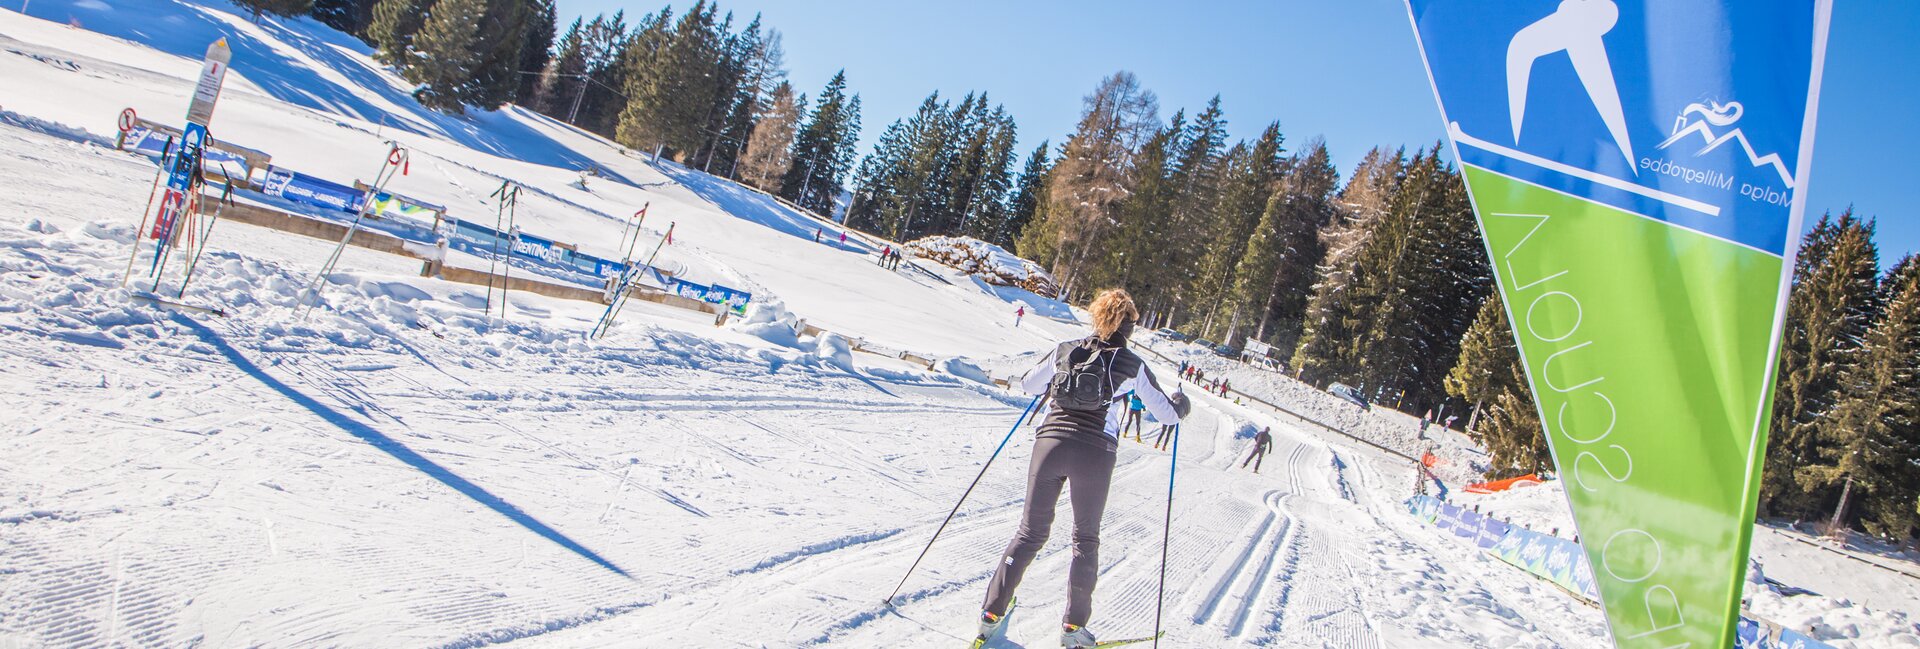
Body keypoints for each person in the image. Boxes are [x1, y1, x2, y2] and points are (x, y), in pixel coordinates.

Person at [977, 289, 1189, 649]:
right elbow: (1167, 413)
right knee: (1085, 539)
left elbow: (1029, 383)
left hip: (1050, 443)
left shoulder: (1065, 348)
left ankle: (991, 614)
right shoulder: (1131, 363)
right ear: (1130, 325)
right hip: (1095, 452)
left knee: (1029, 533)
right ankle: (1073, 630)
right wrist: (1182, 404)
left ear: (1096, 316)